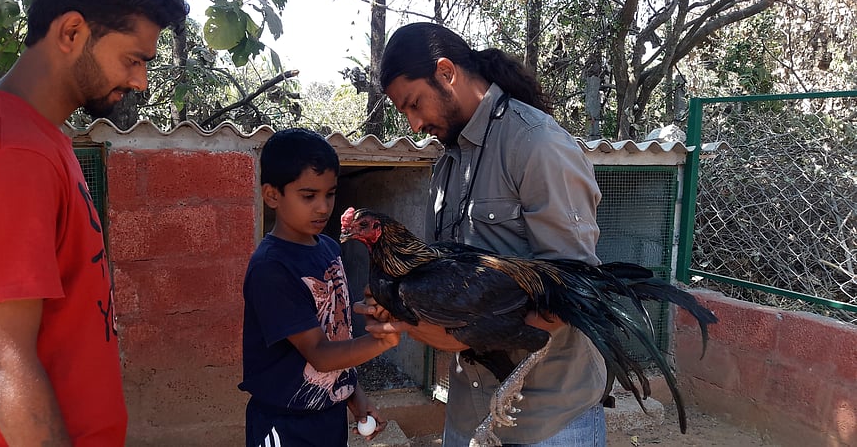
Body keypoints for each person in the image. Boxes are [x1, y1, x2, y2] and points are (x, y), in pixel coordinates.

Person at [0, 0, 188, 444]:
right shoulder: (11, 152)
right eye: (133, 59)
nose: (141, 80)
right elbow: (2, 357)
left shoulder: (41, 140)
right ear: (72, 32)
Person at [360, 22, 608, 446]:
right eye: (406, 112)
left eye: (414, 103)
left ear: (446, 72)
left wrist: (447, 333)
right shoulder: (448, 165)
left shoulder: (536, 145)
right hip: (470, 414)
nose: (415, 123)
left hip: (548, 419)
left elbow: (576, 287)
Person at [239, 128, 400, 447]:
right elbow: (320, 354)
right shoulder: (271, 268)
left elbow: (337, 337)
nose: (323, 207)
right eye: (308, 195)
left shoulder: (328, 249)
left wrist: (355, 397)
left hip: (329, 415)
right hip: (284, 423)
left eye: (330, 194)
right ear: (272, 195)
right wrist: (384, 340)